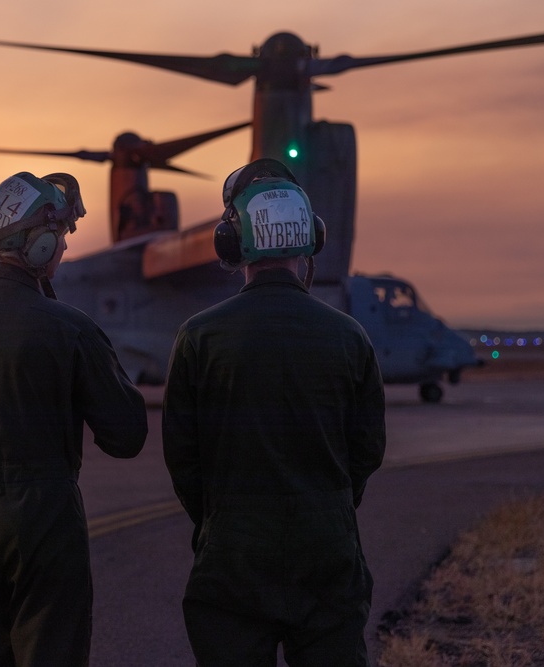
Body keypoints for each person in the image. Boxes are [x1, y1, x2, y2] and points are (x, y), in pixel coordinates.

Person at [0, 171, 148, 667]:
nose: (63, 249)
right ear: (41, 244)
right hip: (44, 515)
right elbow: (127, 434)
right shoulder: (68, 327)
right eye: (60, 237)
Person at [162, 158, 386, 666]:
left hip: (233, 554)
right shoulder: (350, 336)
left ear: (232, 240)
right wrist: (329, 506)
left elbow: (182, 456)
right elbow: (367, 451)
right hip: (328, 547)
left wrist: (216, 521)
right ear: (311, 237)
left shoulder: (199, 336)